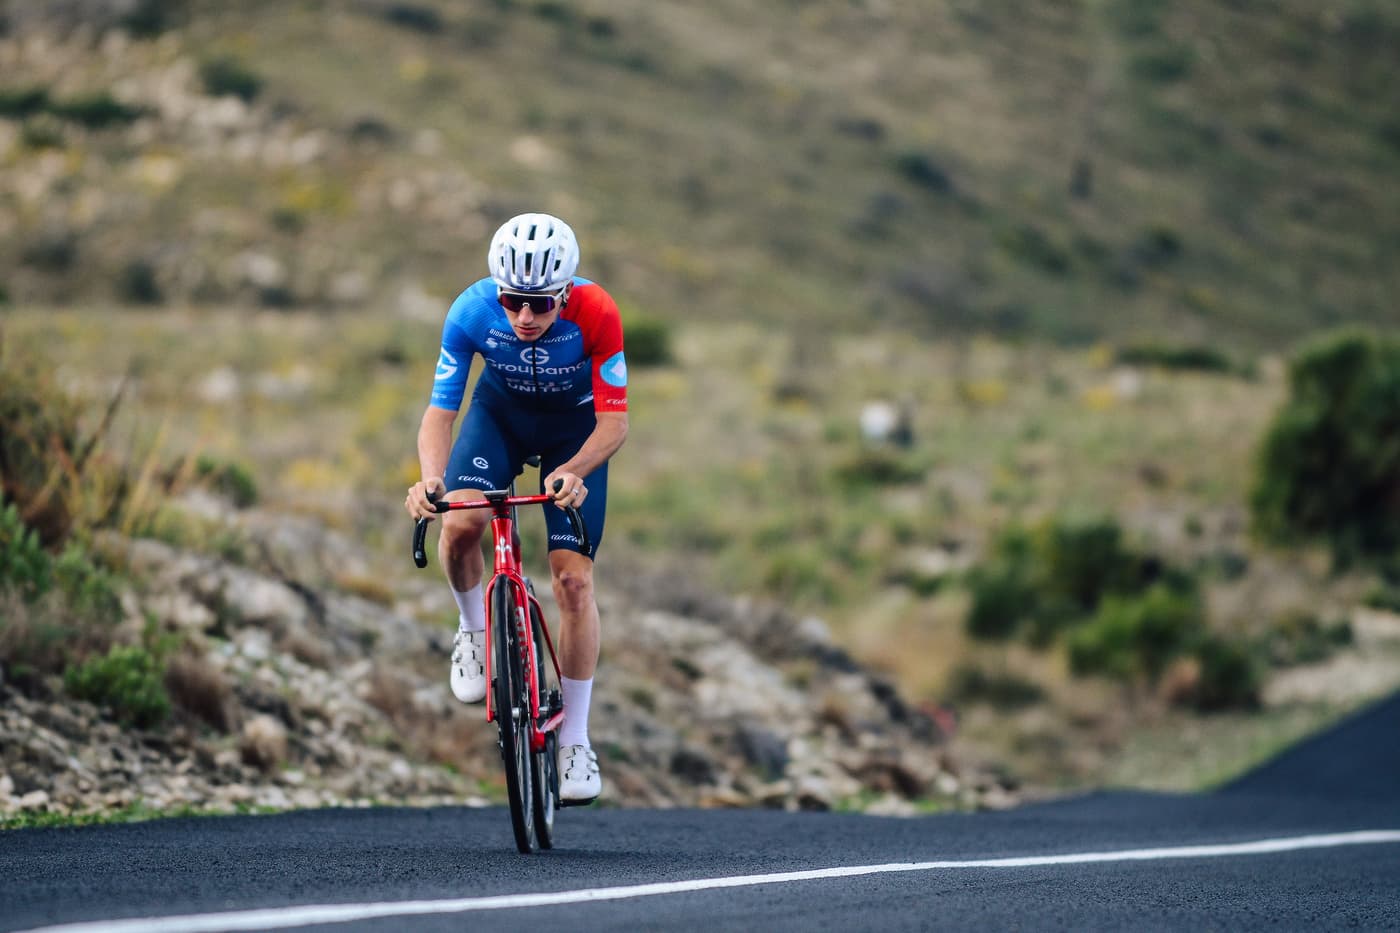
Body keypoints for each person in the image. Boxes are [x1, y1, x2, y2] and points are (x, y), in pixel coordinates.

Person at [404, 213, 628, 803]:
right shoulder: (470, 310)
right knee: (461, 522)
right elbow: (440, 414)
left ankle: (575, 740)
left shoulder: (598, 311)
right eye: (512, 300)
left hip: (573, 433)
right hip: (498, 420)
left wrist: (575, 470)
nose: (525, 317)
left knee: (573, 582)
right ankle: (473, 629)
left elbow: (614, 424)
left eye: (541, 304)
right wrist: (430, 479)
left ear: (565, 293)